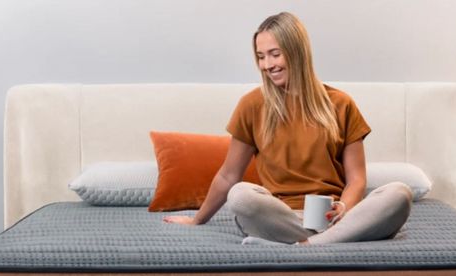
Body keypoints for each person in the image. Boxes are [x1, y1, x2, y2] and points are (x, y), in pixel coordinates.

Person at [164, 12, 412, 245]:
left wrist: (344, 208)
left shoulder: (341, 104)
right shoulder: (252, 105)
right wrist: (197, 219)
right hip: (277, 215)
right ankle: (333, 240)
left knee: (399, 193)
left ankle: (314, 242)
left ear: (297, 52)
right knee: (240, 195)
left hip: (328, 217)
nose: (267, 65)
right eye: (261, 57)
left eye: (275, 54)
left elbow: (357, 179)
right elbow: (229, 176)